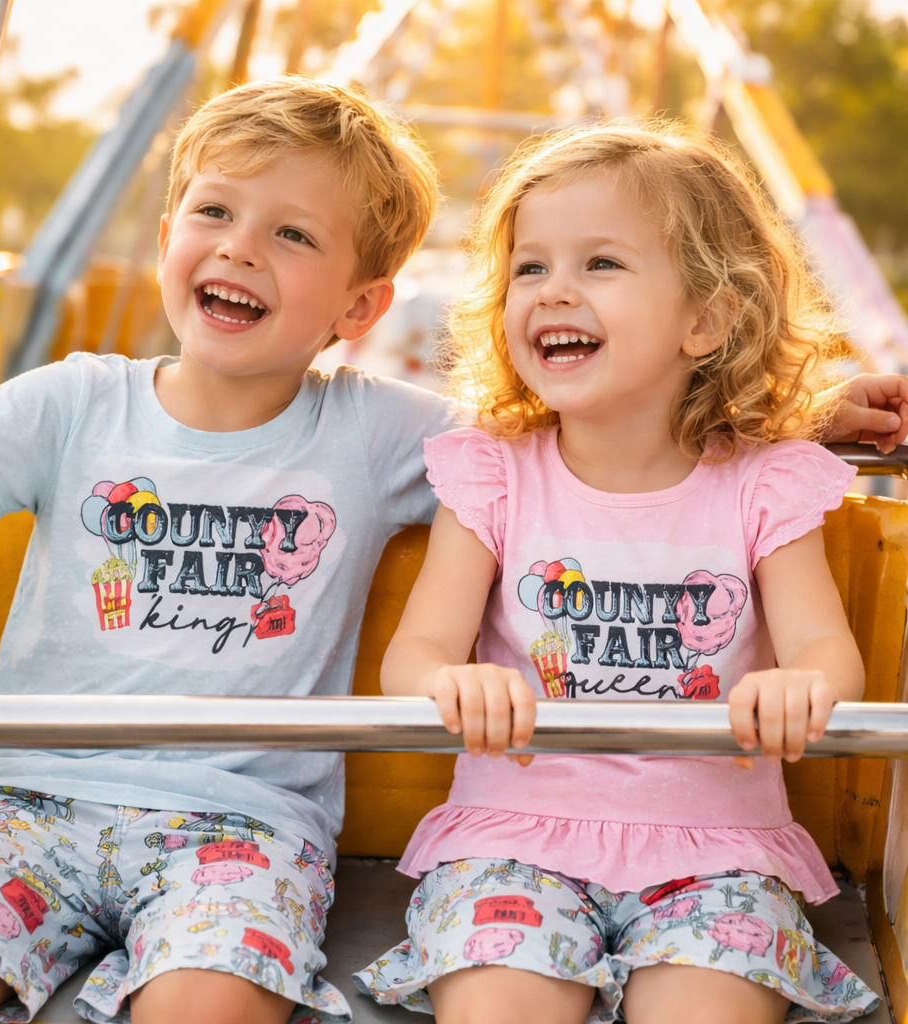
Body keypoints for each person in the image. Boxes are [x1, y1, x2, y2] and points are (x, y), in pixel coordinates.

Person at [0, 78, 454, 1024]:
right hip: (24, 798)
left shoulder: (374, 432)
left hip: (244, 824)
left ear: (361, 306)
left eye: (293, 235)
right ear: (167, 240)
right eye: (216, 211)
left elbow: (565, 462)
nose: (239, 247)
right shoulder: (72, 404)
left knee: (208, 1007)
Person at [354, 121, 907, 1024]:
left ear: (707, 319)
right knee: (501, 1008)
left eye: (600, 264)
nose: (553, 292)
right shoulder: (495, 470)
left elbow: (821, 647)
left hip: (717, 847)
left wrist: (801, 688)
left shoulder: (763, 482)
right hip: (512, 839)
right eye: (530, 268)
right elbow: (414, 652)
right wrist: (454, 683)